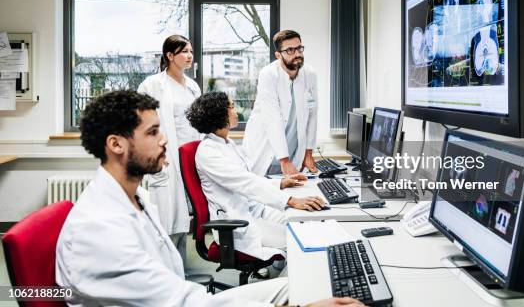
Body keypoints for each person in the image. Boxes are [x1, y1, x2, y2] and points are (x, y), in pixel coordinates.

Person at [56, 90, 363, 307]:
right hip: (184, 302)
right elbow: (182, 303)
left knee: (303, 286)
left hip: (185, 298)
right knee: (305, 296)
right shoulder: (98, 229)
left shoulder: (139, 199)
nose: (164, 139)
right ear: (116, 144)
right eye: (152, 132)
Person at [186, 92, 326, 260]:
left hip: (254, 210)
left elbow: (247, 178)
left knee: (304, 223)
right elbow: (246, 183)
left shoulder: (226, 143)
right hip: (238, 223)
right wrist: (291, 200)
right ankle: (291, 284)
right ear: (219, 114)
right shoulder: (208, 152)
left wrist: (281, 184)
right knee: (300, 241)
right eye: (231, 106)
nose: (236, 110)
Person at [137, 35, 200, 271]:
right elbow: (142, 123)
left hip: (189, 158)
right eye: (184, 51)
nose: (189, 56)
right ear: (169, 56)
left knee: (184, 219)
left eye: (191, 51)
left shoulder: (193, 86)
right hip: (166, 159)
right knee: (166, 219)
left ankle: (179, 269)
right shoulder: (152, 85)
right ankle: (163, 273)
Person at [243, 30, 318, 177]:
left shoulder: (310, 73)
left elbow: (312, 116)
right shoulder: (268, 74)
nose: (297, 54)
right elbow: (272, 119)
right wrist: (284, 160)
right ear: (278, 55)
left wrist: (308, 153)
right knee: (264, 193)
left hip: (293, 153)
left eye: (299, 48)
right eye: (290, 50)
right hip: (266, 150)